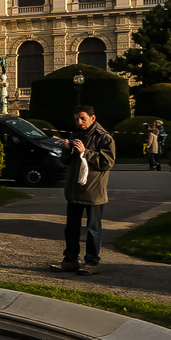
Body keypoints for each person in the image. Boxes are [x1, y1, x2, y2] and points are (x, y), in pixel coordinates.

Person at [50, 103, 116, 275]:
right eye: (76, 119)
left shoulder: (104, 138)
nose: (79, 122)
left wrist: (86, 152)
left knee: (93, 229)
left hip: (94, 192)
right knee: (71, 227)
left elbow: (107, 163)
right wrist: (67, 150)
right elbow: (66, 162)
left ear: (93, 118)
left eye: (83, 118)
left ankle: (92, 262)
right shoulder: (75, 135)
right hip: (74, 191)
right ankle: (70, 260)